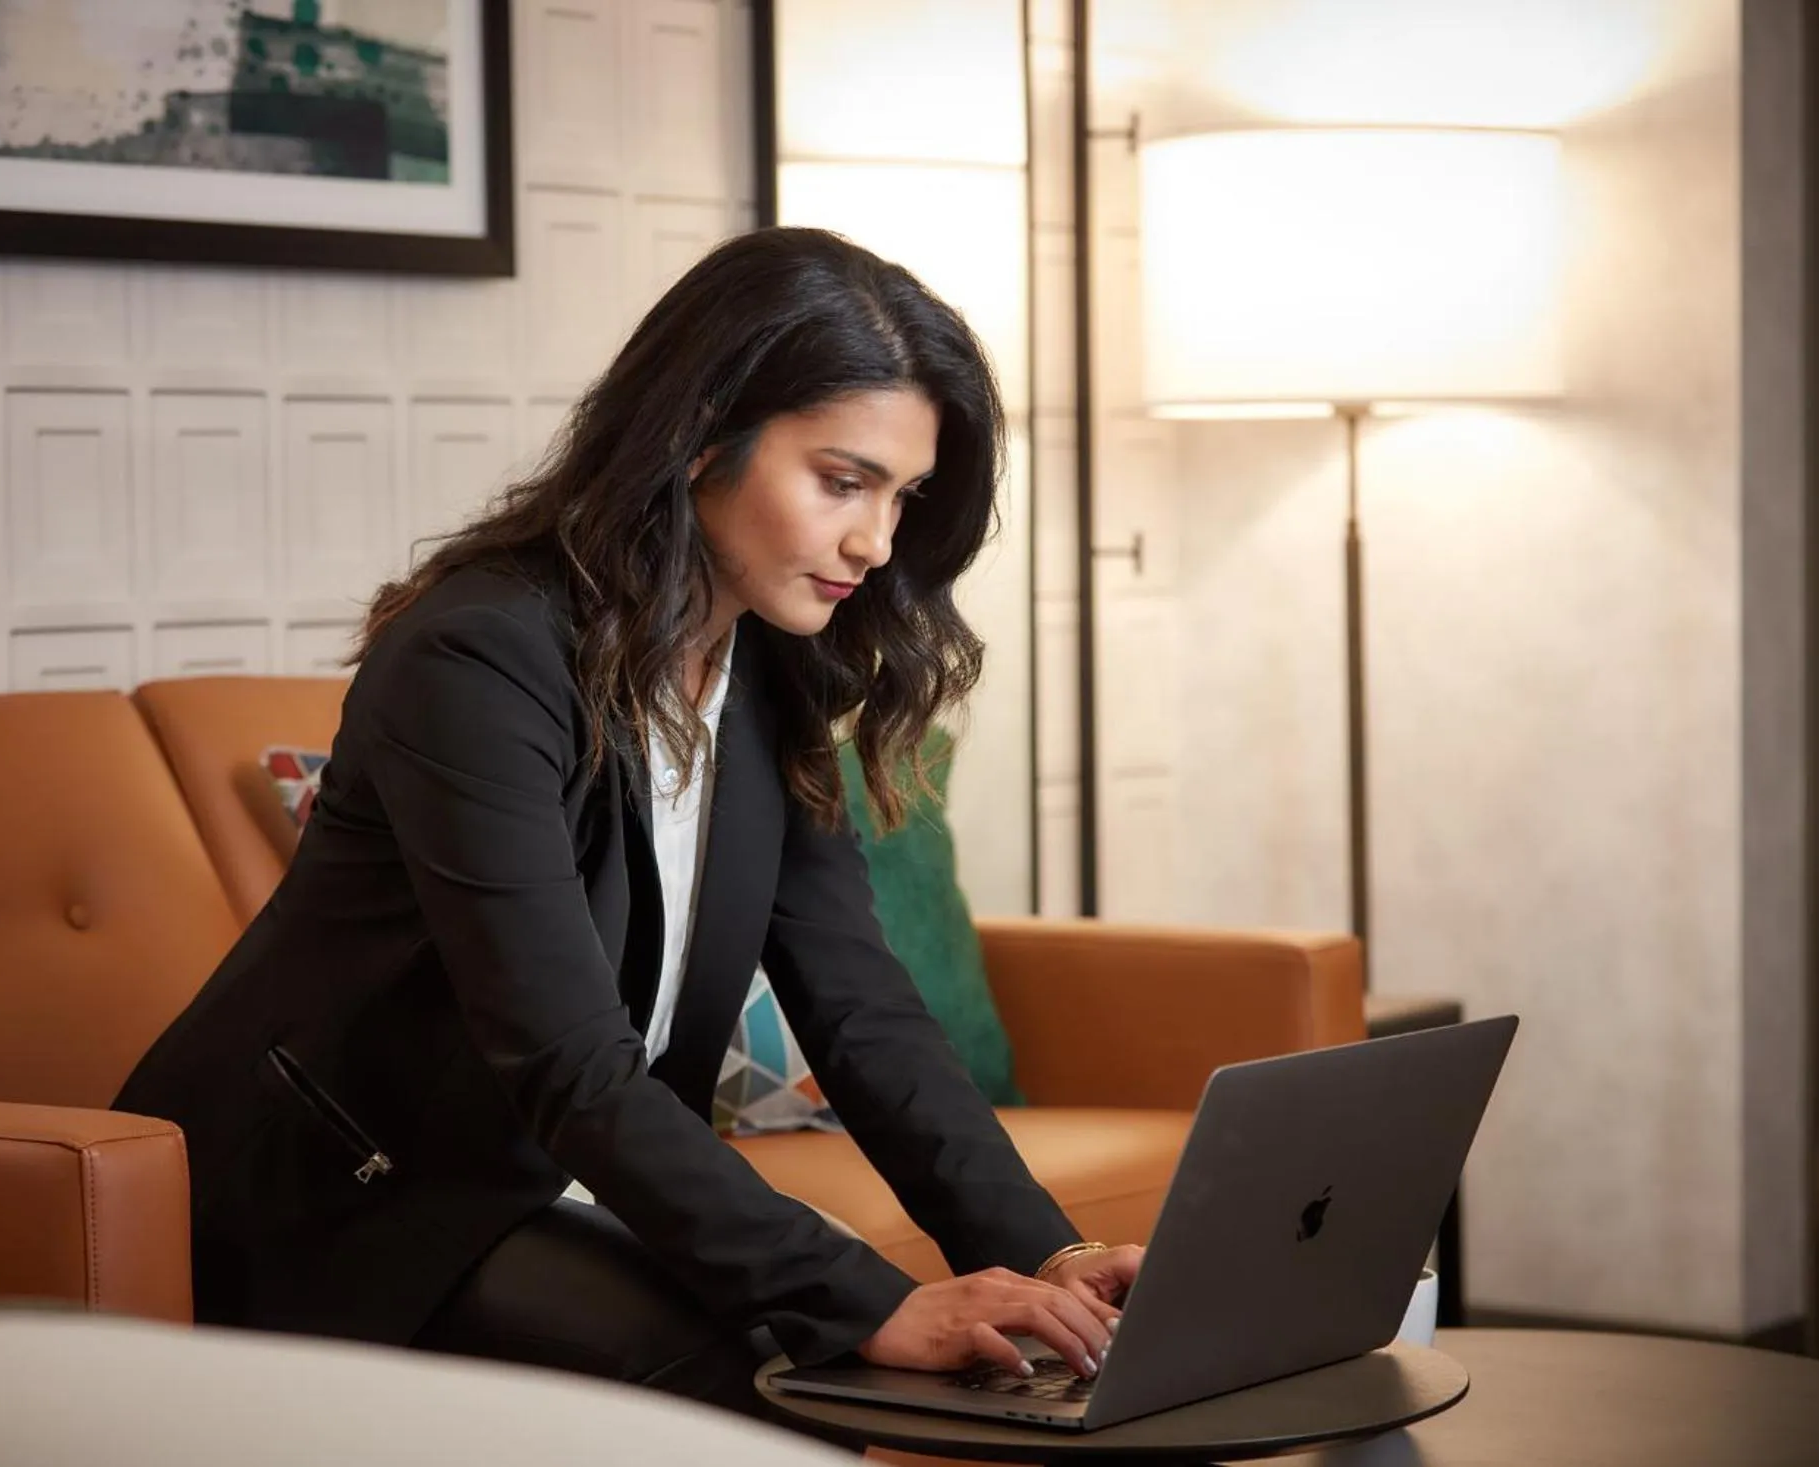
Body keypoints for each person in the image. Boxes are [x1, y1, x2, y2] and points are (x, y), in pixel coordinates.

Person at [113, 226, 1142, 1425]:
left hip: (552, 1184)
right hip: (347, 1201)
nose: (876, 543)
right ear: (702, 436)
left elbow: (858, 1007)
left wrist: (1043, 1254)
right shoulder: (477, 656)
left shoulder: (770, 669)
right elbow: (565, 1057)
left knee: (840, 1341)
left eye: (902, 497)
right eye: (840, 479)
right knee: (778, 1357)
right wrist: (866, 1303)